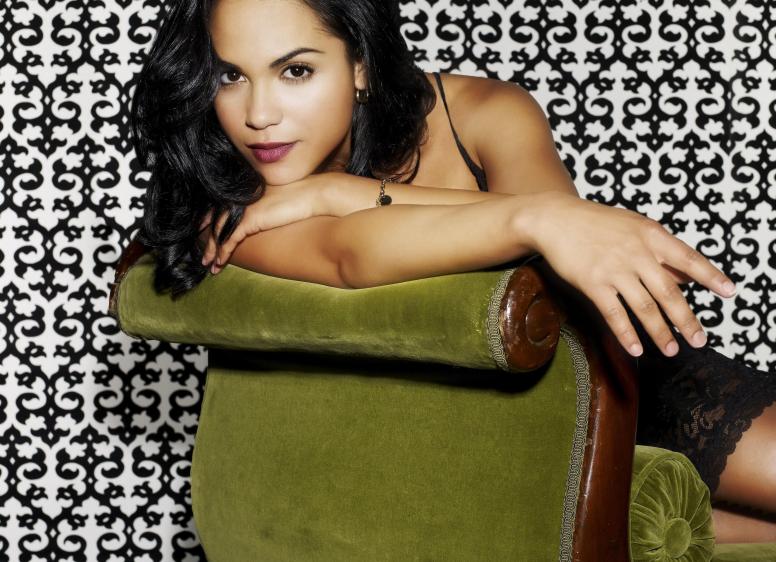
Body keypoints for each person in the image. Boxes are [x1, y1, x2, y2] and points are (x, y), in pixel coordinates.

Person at [129, 0, 776, 543]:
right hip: (493, 455)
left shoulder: (482, 113)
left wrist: (340, 192)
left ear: (360, 65)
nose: (258, 115)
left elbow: (567, 251)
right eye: (229, 75)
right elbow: (351, 254)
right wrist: (530, 218)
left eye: (295, 71)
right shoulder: (228, 198)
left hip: (622, 375)